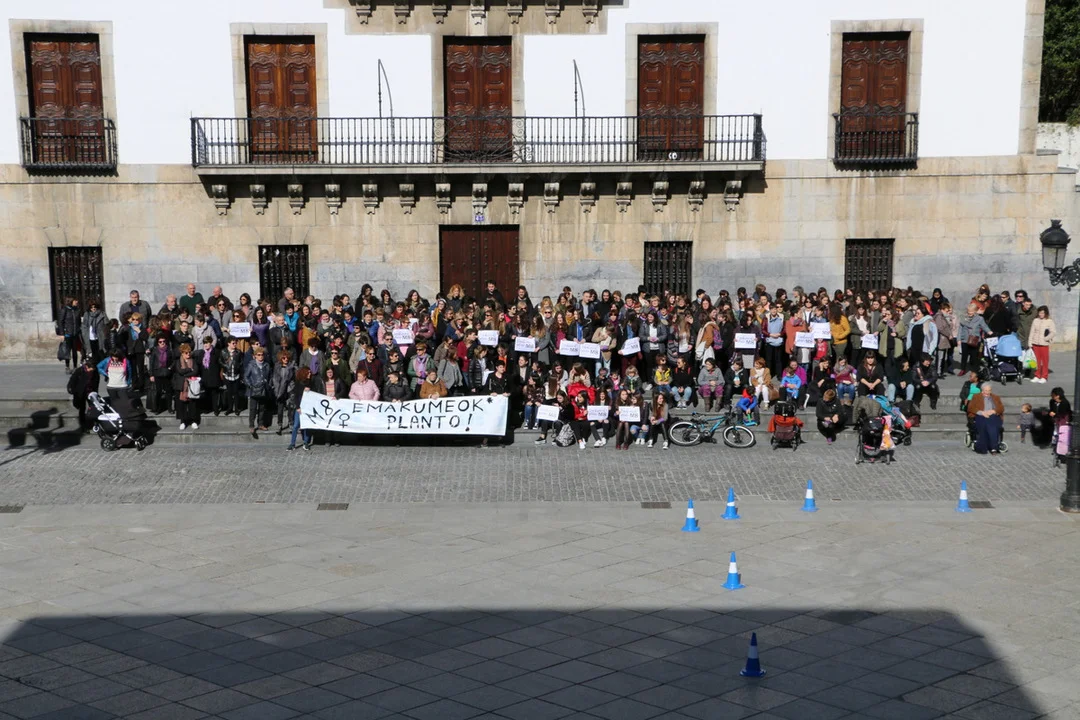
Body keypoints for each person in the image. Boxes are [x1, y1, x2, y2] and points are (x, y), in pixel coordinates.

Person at [967, 382, 1005, 455]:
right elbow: (970, 408)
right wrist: (982, 413)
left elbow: (1001, 408)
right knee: (988, 424)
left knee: (991, 423)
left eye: (989, 390)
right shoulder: (976, 396)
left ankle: (986, 447)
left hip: (993, 416)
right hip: (980, 416)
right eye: (986, 390)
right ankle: (993, 447)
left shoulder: (996, 397)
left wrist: (993, 411)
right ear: (982, 390)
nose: (987, 392)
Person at [244, 348, 272, 437]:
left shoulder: (267, 365)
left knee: (262, 408)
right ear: (255, 356)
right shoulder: (251, 365)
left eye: (262, 355)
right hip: (254, 390)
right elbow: (245, 377)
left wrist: (269, 385)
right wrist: (251, 386)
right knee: (253, 409)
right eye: (258, 355)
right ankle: (251, 426)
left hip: (263, 389)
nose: (260, 356)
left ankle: (260, 424)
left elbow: (270, 376)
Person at [171, 344, 200, 430]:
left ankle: (193, 421)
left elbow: (195, 371)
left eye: (189, 352)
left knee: (192, 404)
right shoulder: (178, 361)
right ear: (182, 353)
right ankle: (183, 421)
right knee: (181, 404)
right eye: (186, 353)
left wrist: (185, 374)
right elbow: (180, 371)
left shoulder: (193, 361)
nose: (188, 354)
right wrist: (189, 369)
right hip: (181, 386)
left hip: (191, 385)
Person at [958, 303, 991, 375]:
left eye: (971, 311)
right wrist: (959, 339)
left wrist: (989, 331)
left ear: (975, 311)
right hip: (965, 339)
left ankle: (975, 370)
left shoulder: (980, 319)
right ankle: (962, 369)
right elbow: (960, 329)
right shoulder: (963, 318)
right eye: (968, 311)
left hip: (975, 339)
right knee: (964, 356)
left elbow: (984, 326)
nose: (970, 313)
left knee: (974, 357)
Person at [66, 357, 98, 430]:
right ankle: (83, 424)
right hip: (81, 392)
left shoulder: (95, 371)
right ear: (86, 366)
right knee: (82, 408)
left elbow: (96, 382)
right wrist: (71, 389)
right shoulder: (79, 371)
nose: (92, 370)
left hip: (90, 391)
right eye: (90, 369)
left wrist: (95, 392)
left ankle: (93, 423)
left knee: (93, 407)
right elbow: (72, 380)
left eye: (93, 369)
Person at [287, 367, 314, 451]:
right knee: (296, 425)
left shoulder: (311, 383)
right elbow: (295, 396)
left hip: (308, 407)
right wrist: (298, 407)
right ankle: (292, 444)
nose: (309, 374)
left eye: (310, 372)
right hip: (300, 407)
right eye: (308, 373)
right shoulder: (298, 383)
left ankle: (306, 442)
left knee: (306, 425)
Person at [1028, 305, 1055, 383]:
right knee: (1035, 361)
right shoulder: (1035, 320)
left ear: (1046, 313)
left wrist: (1046, 338)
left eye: (1042, 313)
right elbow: (1032, 332)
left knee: (1044, 361)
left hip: (1044, 344)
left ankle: (1044, 376)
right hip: (1035, 343)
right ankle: (1037, 375)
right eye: (1040, 313)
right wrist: (1030, 342)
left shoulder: (1049, 321)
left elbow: (1053, 332)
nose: (1041, 314)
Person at [81, 298, 109, 364]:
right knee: (93, 352)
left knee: (101, 351)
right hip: (90, 336)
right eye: (91, 307)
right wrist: (84, 334)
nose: (93, 308)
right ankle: (94, 365)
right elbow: (84, 326)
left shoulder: (102, 313)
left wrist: (105, 333)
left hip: (100, 336)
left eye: (94, 307)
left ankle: (101, 365)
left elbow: (107, 324)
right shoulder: (87, 314)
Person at [57, 297, 81, 372]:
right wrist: (62, 333)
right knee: (67, 350)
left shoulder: (77, 310)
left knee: (74, 350)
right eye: (75, 300)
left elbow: (79, 322)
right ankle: (67, 366)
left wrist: (79, 330)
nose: (77, 301)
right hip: (67, 333)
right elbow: (60, 322)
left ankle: (75, 366)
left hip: (75, 333)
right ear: (71, 301)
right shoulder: (65, 310)